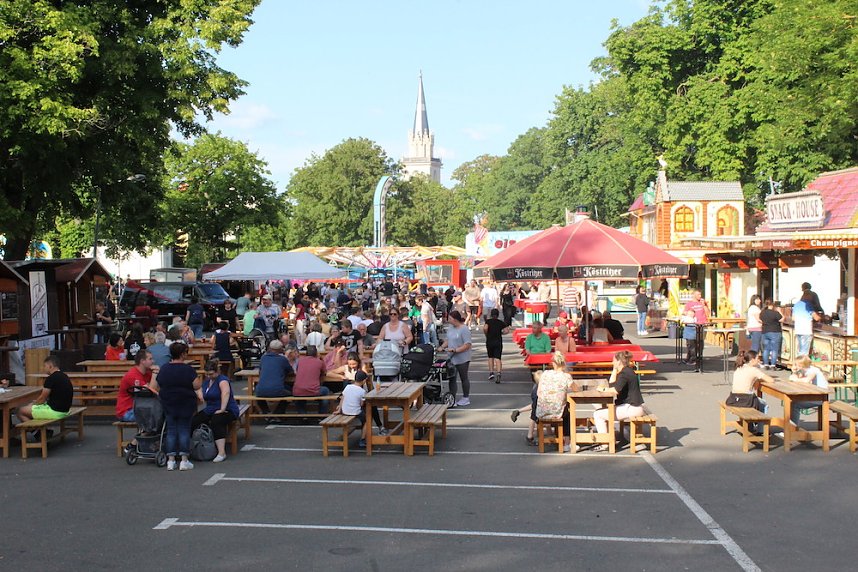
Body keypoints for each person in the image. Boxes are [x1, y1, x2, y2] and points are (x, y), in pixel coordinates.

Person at [149, 342, 201, 471]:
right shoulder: (188, 369)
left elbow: (158, 383)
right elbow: (197, 385)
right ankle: (184, 459)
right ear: (183, 354)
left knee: (171, 430)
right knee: (184, 429)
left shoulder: (165, 368)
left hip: (168, 402)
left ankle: (170, 460)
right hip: (186, 402)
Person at [592, 350, 646, 450]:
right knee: (600, 410)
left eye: (613, 361)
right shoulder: (626, 371)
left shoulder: (625, 373)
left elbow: (614, 390)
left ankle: (605, 443)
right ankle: (608, 438)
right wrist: (614, 369)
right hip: (634, 406)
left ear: (619, 361)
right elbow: (612, 384)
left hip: (632, 408)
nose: (612, 363)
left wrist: (603, 389)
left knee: (598, 414)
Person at [192, 359, 240, 463]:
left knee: (216, 420)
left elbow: (225, 393)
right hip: (210, 409)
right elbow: (201, 394)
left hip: (228, 409)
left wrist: (222, 409)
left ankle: (221, 452)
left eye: (211, 374)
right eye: (207, 374)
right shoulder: (206, 382)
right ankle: (195, 447)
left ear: (217, 372)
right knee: (195, 420)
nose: (209, 376)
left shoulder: (222, 380)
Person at [536, 351, 580, 453]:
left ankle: (559, 437)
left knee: (561, 407)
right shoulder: (566, 376)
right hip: (556, 412)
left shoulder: (545, 374)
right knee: (567, 411)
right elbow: (576, 389)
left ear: (553, 363)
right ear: (564, 363)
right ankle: (567, 442)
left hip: (541, 410)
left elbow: (539, 392)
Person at [15, 356, 74, 432]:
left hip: (55, 412)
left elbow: (42, 398)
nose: (44, 368)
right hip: (65, 410)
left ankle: (38, 433)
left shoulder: (51, 378)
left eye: (45, 366)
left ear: (50, 366)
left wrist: (34, 404)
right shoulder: (64, 376)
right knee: (30, 408)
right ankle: (40, 431)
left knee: (20, 411)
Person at [335, 370, 387, 448]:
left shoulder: (347, 387)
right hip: (355, 412)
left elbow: (342, 398)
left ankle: (352, 433)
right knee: (368, 418)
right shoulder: (362, 391)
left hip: (345, 410)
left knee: (367, 411)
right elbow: (361, 404)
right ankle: (362, 439)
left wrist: (339, 409)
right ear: (364, 381)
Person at [725, 350, 773, 434]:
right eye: (758, 358)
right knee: (764, 404)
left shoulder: (739, 367)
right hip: (746, 401)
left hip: (733, 399)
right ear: (752, 360)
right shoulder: (753, 370)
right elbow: (770, 380)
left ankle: (750, 426)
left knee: (757, 401)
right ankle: (761, 430)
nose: (759, 360)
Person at [439, 310, 472, 407]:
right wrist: (442, 347)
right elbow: (448, 340)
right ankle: (452, 398)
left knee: (463, 377)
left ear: (455, 319)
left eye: (450, 318)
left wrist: (456, 350)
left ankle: (466, 397)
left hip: (462, 358)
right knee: (452, 378)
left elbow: (467, 344)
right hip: (452, 357)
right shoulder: (450, 328)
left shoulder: (464, 329)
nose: (448, 320)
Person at [255, 340, 294, 416]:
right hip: (278, 389)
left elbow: (260, 371)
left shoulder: (263, 358)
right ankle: (278, 413)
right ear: (280, 349)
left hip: (261, 390)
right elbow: (291, 371)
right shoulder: (282, 359)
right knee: (291, 393)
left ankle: (266, 411)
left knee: (257, 392)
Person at [789, 354, 828, 427]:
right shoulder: (804, 370)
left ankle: (792, 428)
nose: (795, 366)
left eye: (796, 364)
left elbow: (807, 380)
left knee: (794, 404)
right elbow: (793, 378)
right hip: (815, 395)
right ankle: (791, 427)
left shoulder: (813, 370)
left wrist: (796, 379)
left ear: (801, 365)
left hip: (821, 397)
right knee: (791, 401)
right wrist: (794, 372)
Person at [115, 349, 155, 422]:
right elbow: (150, 391)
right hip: (127, 411)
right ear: (142, 361)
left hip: (139, 407)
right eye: (150, 359)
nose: (153, 361)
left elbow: (156, 387)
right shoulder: (133, 375)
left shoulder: (147, 372)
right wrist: (155, 373)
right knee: (156, 415)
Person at [293, 346, 330, 414]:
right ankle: (322, 414)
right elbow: (324, 372)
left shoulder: (300, 361)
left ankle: (302, 414)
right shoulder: (319, 362)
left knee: (300, 392)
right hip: (313, 390)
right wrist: (321, 358)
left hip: (298, 390)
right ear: (316, 353)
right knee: (326, 391)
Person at [483, 308, 509, 383]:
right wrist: (501, 333)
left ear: (491, 314)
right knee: (498, 358)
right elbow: (507, 330)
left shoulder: (488, 321)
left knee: (490, 357)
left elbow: (485, 328)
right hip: (498, 341)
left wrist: (486, 334)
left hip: (490, 341)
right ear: (498, 315)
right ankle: (499, 373)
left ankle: (491, 372)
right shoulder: (500, 322)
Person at [793, 291, 821, 357]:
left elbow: (793, 318)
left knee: (800, 349)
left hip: (798, 329)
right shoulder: (808, 304)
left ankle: (798, 364)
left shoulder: (796, 304)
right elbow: (816, 318)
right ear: (808, 296)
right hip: (806, 330)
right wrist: (821, 317)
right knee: (804, 352)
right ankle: (802, 366)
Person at [760, 299, 784, 370]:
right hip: (775, 331)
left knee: (766, 349)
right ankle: (773, 365)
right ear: (772, 305)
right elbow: (782, 319)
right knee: (774, 349)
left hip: (765, 332)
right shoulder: (775, 313)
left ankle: (766, 364)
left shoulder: (763, 313)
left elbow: (760, 320)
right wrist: (780, 311)